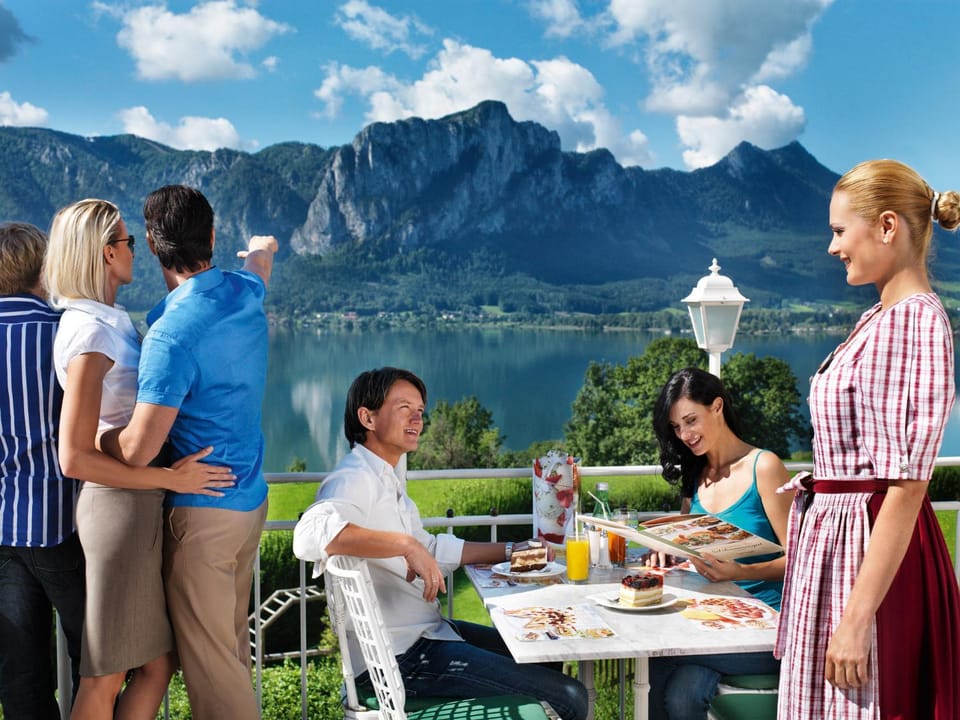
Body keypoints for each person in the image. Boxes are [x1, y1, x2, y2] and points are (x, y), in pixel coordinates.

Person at [292, 367, 589, 720]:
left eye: (420, 410)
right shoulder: (353, 479)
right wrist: (405, 544)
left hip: (427, 637)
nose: (417, 418)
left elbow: (431, 549)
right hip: (401, 661)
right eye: (404, 407)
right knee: (569, 696)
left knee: (546, 652)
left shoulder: (385, 478)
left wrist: (512, 549)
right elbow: (308, 535)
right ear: (367, 417)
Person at [775, 160, 960, 719]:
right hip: (839, 550)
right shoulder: (878, 318)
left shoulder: (916, 323)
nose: (832, 247)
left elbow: (906, 486)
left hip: (870, 561)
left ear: (887, 227)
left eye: (838, 230)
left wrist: (856, 619)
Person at [43, 199, 234, 720]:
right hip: (119, 510)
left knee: (156, 664)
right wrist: (168, 475)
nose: (136, 251)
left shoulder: (105, 319)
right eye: (129, 242)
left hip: (135, 505)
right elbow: (74, 457)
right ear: (108, 253)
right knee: (105, 673)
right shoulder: (92, 333)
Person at [99, 185, 278, 720]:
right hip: (250, 506)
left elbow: (137, 451)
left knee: (216, 676)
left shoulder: (170, 335)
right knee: (228, 657)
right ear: (213, 237)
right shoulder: (244, 290)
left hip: (203, 516)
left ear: (151, 245)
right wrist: (260, 243)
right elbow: (263, 260)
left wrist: (92, 435)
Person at [645, 366, 792, 720]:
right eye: (677, 428)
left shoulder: (764, 467)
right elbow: (685, 542)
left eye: (691, 421)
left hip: (764, 628)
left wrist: (741, 570)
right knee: (682, 694)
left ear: (717, 407)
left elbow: (802, 559)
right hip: (708, 622)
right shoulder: (695, 474)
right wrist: (665, 550)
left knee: (657, 656)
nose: (685, 435)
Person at [0, 222, 85, 719]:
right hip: (62, 524)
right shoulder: (64, 332)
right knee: (99, 663)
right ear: (43, 268)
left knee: (20, 676)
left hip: (3, 533)